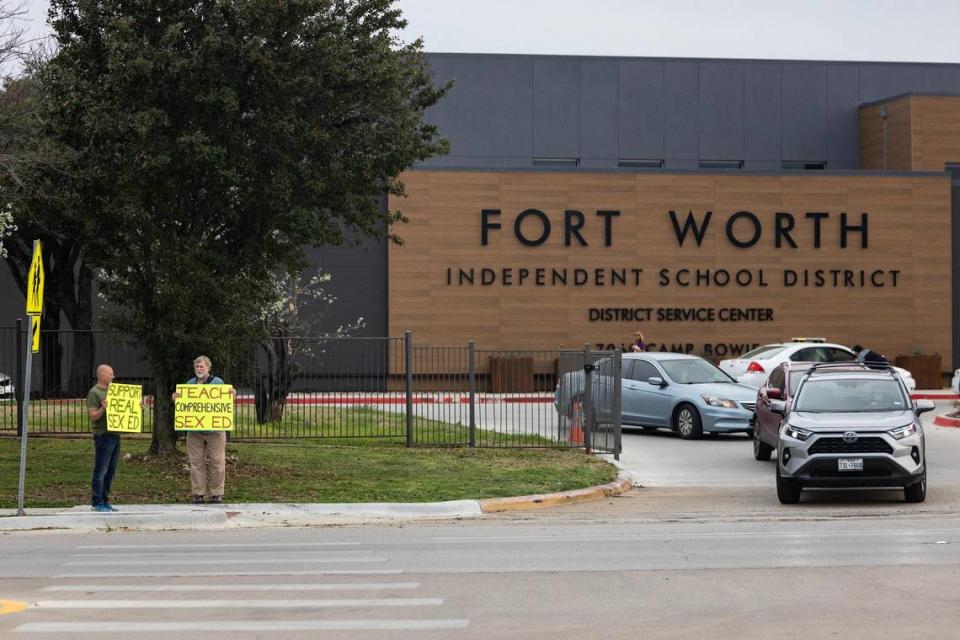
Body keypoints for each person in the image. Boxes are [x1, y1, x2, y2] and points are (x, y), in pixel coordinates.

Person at [173, 355, 232, 504]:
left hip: (215, 430)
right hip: (195, 432)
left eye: (201, 367)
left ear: (208, 368)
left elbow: (226, 400)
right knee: (196, 463)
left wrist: (232, 394)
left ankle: (216, 494)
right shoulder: (189, 384)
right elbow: (183, 405)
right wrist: (176, 398)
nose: (199, 369)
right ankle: (198, 494)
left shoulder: (218, 383)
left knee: (217, 462)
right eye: (196, 367)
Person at [87, 363, 120, 513]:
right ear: (102, 375)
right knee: (101, 469)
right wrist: (103, 409)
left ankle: (105, 500)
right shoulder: (94, 393)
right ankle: (97, 501)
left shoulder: (115, 391)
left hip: (115, 434)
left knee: (111, 470)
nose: (113, 376)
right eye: (110, 374)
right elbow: (93, 417)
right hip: (103, 435)